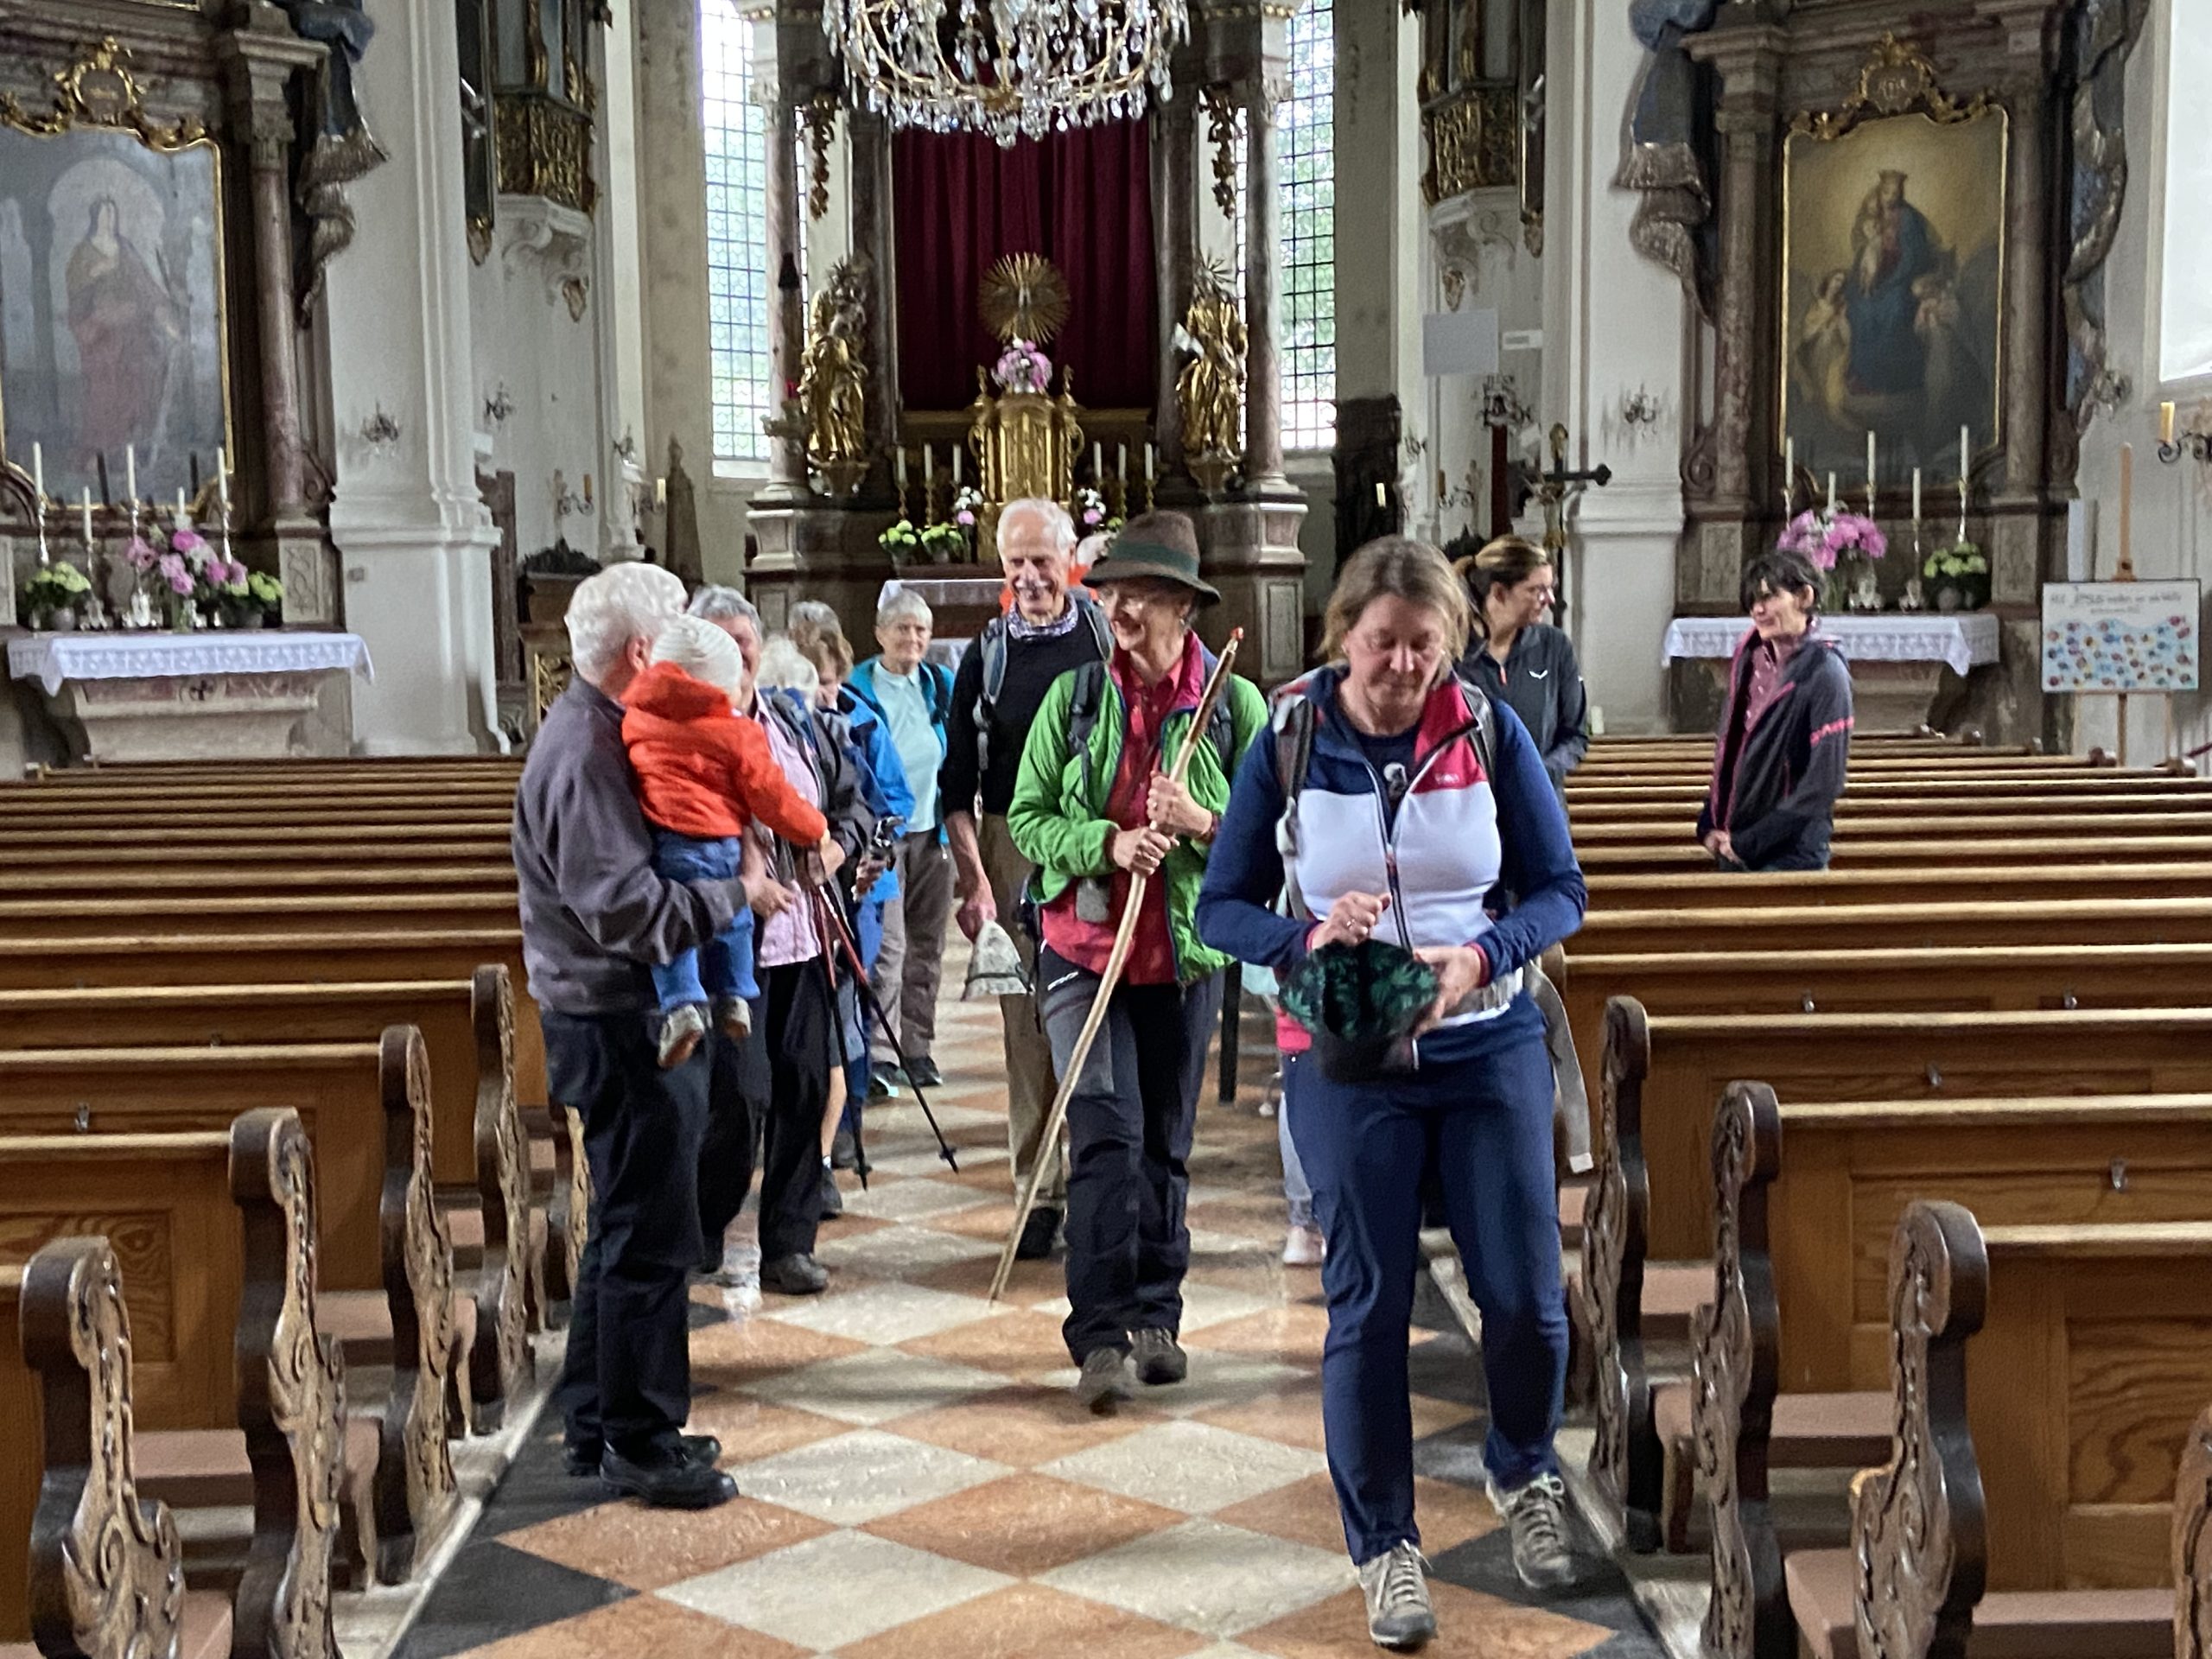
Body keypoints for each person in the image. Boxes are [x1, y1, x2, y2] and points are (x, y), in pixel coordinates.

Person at [1196, 537, 1592, 1649]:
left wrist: (1479, 957)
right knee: (1366, 1304)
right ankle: (1385, 1548)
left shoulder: (1486, 728)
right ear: (1344, 637)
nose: (1404, 667)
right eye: (1383, 644)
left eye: (1425, 645)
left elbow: (1560, 890)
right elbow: (1220, 907)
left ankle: (1523, 1469)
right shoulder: (1290, 734)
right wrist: (1305, 936)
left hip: (1483, 1036)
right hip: (1345, 1051)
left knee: (1524, 1297)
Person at [1007, 512, 1266, 1413]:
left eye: (1142, 595)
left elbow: (1275, 837)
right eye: (1111, 593)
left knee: (1165, 1143)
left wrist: (1200, 822)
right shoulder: (1075, 697)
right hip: (1084, 950)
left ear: (1184, 608)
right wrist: (1106, 844)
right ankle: (1099, 1334)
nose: (1119, 610)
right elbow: (1027, 818)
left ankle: (1159, 1317)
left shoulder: (1235, 708)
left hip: (1183, 956)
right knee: (1105, 1138)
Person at [512, 563, 741, 1510]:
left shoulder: (607, 731)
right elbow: (630, 912)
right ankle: (643, 1441)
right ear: (646, 653)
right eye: (680, 631)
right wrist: (738, 895)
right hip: (619, 1021)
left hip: (615, 1015)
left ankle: (594, 1422)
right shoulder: (588, 752)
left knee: (625, 1225)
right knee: (651, 1235)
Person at [941, 497, 1111, 1261]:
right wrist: (974, 879)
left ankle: (1100, 1182)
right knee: (1026, 1022)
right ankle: (1037, 1189)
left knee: (1097, 1009)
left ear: (1070, 559)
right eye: (1016, 563)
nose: (1030, 576)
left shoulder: (1105, 636)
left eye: (1043, 560)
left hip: (1096, 836)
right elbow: (956, 783)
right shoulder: (986, 656)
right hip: (1011, 837)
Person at [620, 613, 835, 1067]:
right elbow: (772, 797)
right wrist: (814, 828)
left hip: (668, 845)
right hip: (722, 843)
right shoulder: (737, 731)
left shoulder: (636, 721)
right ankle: (735, 995)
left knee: (678, 933)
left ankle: (681, 1004)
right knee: (735, 919)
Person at [746, 634, 874, 1284]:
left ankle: (789, 1244)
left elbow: (855, 804)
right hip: (737, 946)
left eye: (745, 645)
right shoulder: (700, 737)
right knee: (742, 1097)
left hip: (805, 935)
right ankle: (705, 1232)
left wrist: (836, 849)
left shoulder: (800, 726)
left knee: (804, 1085)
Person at [849, 583, 957, 1090]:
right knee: (888, 948)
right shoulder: (857, 689)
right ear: (879, 634)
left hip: (932, 832)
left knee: (927, 945)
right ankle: (880, 1053)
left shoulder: (939, 684)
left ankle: (917, 1048)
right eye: (902, 629)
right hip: (881, 838)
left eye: (921, 630)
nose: (912, 639)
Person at [1697, 547, 1854, 873]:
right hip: (1736, 845)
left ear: (1805, 596)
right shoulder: (1750, 657)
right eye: (1753, 601)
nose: (1758, 609)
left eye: (1769, 598)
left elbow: (1824, 783)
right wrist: (1710, 822)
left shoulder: (1824, 671)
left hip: (1791, 856)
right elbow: (1733, 747)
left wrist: (1750, 842)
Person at [1453, 537, 1589, 797]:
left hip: (1540, 800)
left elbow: (1575, 736)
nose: (1549, 599)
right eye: (1537, 590)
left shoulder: (1554, 646)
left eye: (1550, 588)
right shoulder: (1455, 653)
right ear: (1499, 593)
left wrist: (1534, 775)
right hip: (1473, 802)